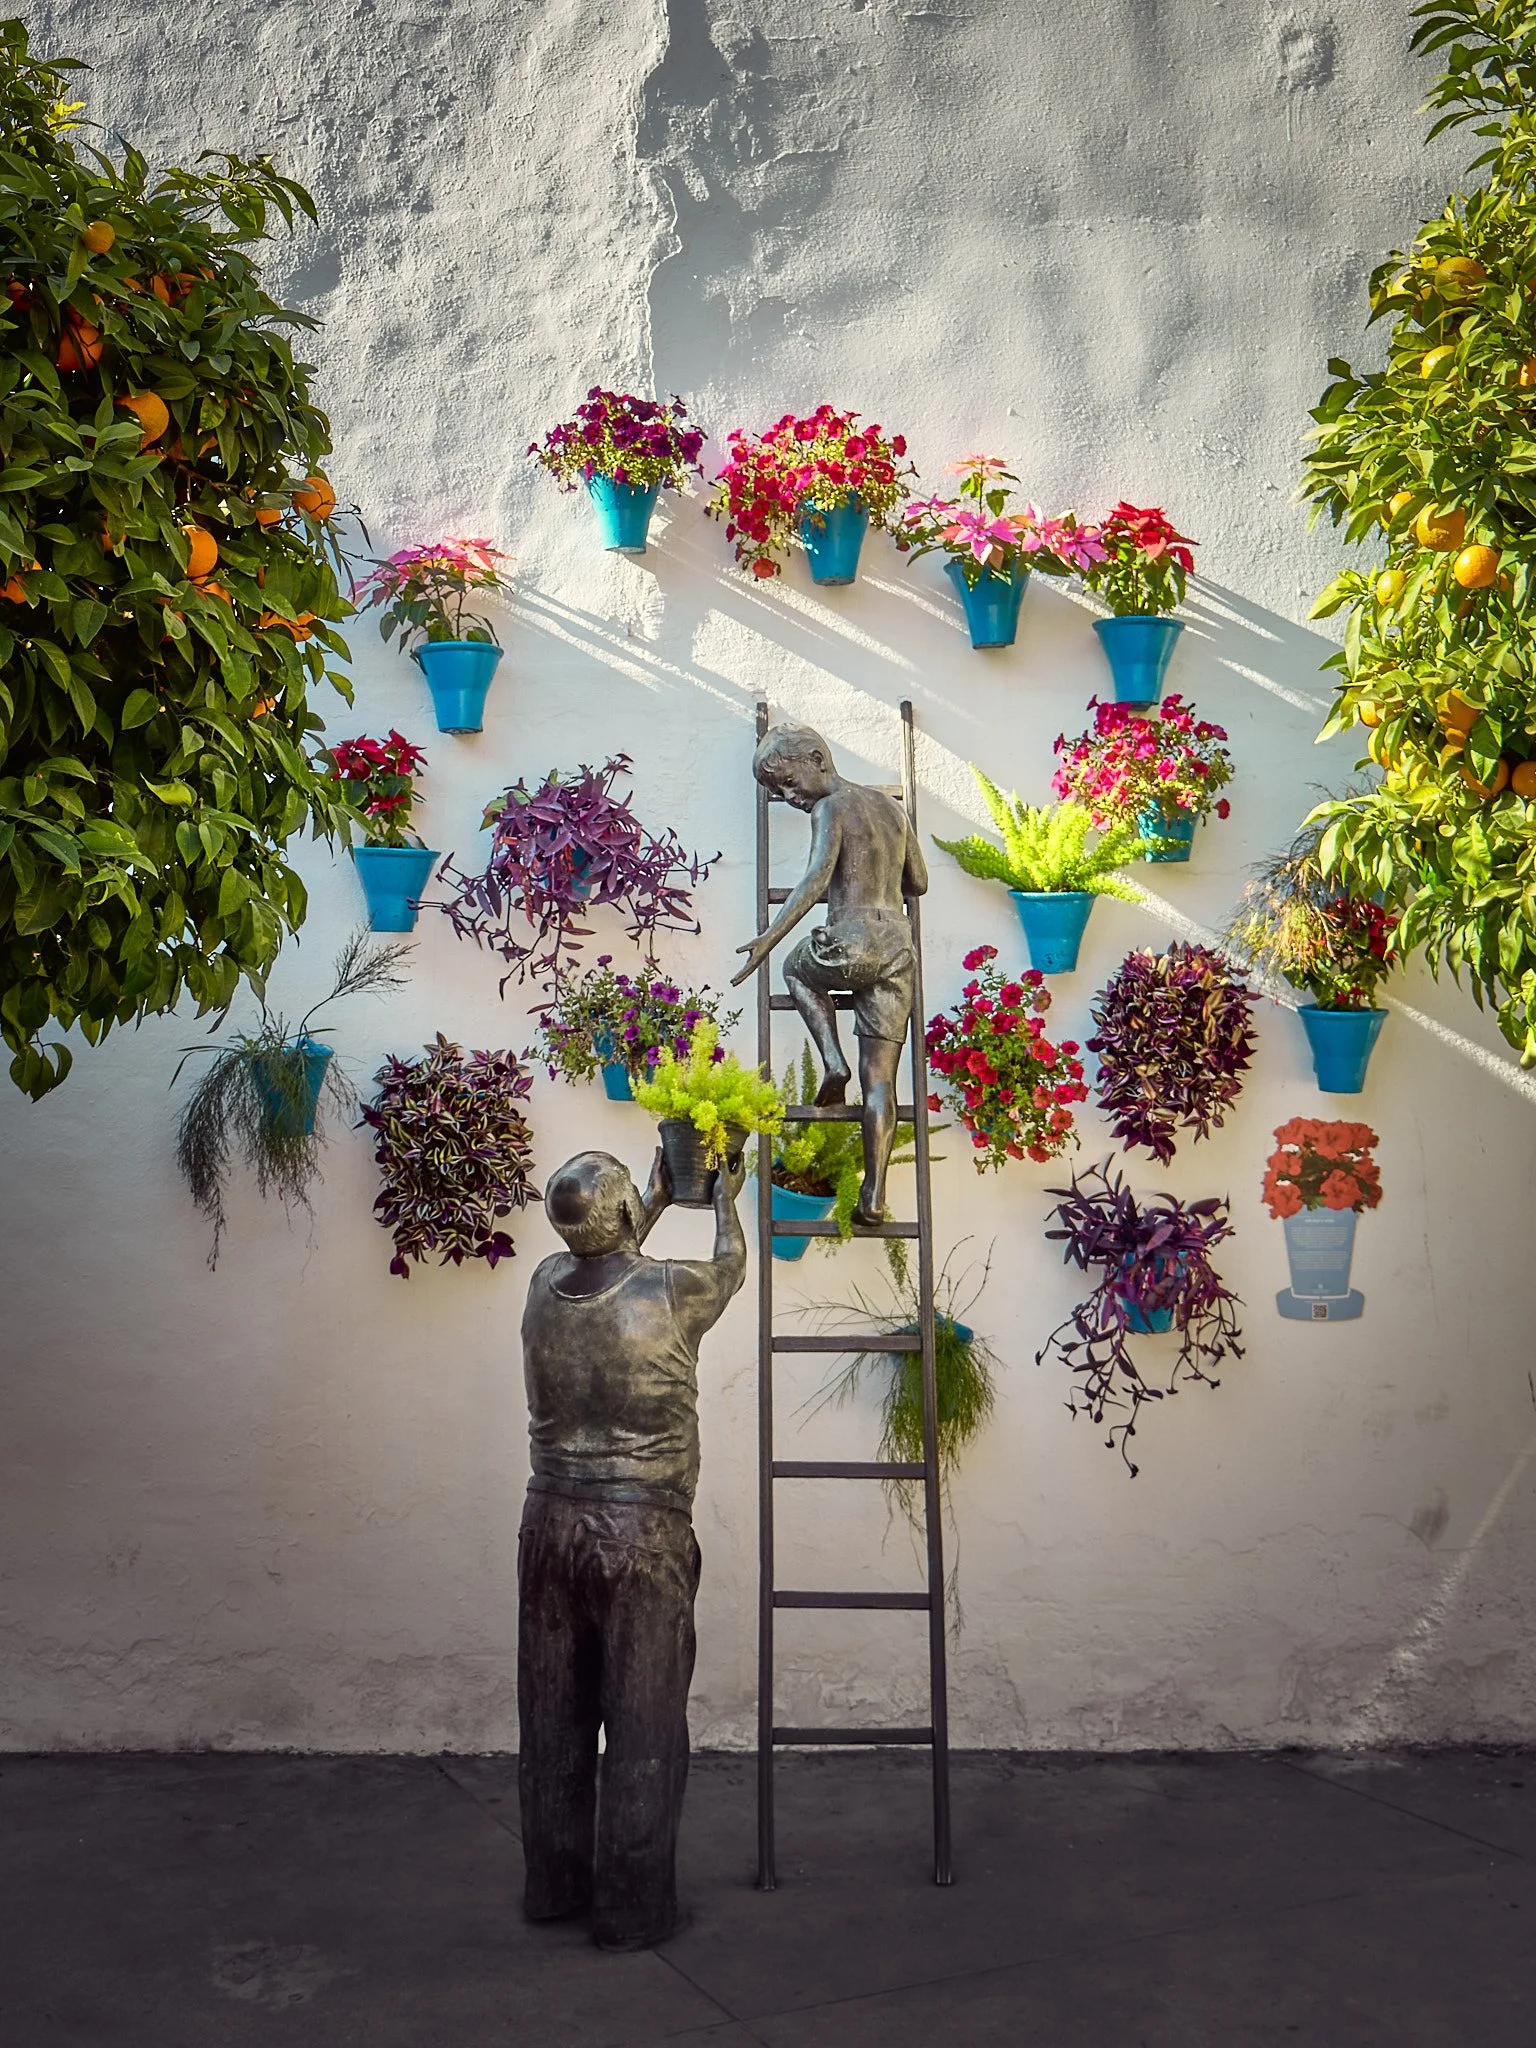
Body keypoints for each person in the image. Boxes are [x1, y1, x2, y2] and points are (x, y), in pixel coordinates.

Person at [517, 1143, 746, 1950]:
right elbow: (729, 1269)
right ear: (619, 1215)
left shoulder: (544, 1284)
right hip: (640, 1530)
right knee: (643, 1727)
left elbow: (605, 1256)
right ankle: (632, 1907)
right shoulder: (673, 1290)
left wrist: (639, 1203)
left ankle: (553, 1885)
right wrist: (725, 1200)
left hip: (548, 1522)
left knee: (553, 1717)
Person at [733, 721, 927, 1223]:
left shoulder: (830, 807)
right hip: (898, 948)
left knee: (796, 968)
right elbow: (919, 882)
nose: (787, 795)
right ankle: (875, 1196)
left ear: (817, 759)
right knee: (881, 1079)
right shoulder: (892, 808)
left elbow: (815, 879)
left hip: (852, 937)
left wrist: (767, 941)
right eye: (777, 790)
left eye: (789, 782)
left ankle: (832, 1060)